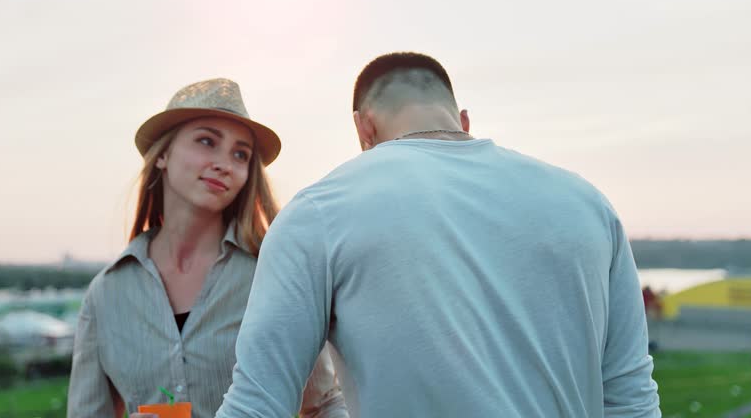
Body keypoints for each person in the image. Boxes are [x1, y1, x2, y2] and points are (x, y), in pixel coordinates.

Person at [216, 52, 661, 417]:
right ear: (462, 120)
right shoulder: (588, 206)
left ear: (363, 127)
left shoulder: (319, 213)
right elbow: (631, 401)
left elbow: (258, 405)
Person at [67, 78, 348, 418]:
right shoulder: (105, 295)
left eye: (240, 154)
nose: (224, 164)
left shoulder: (270, 275)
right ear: (163, 155)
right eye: (206, 141)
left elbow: (323, 404)